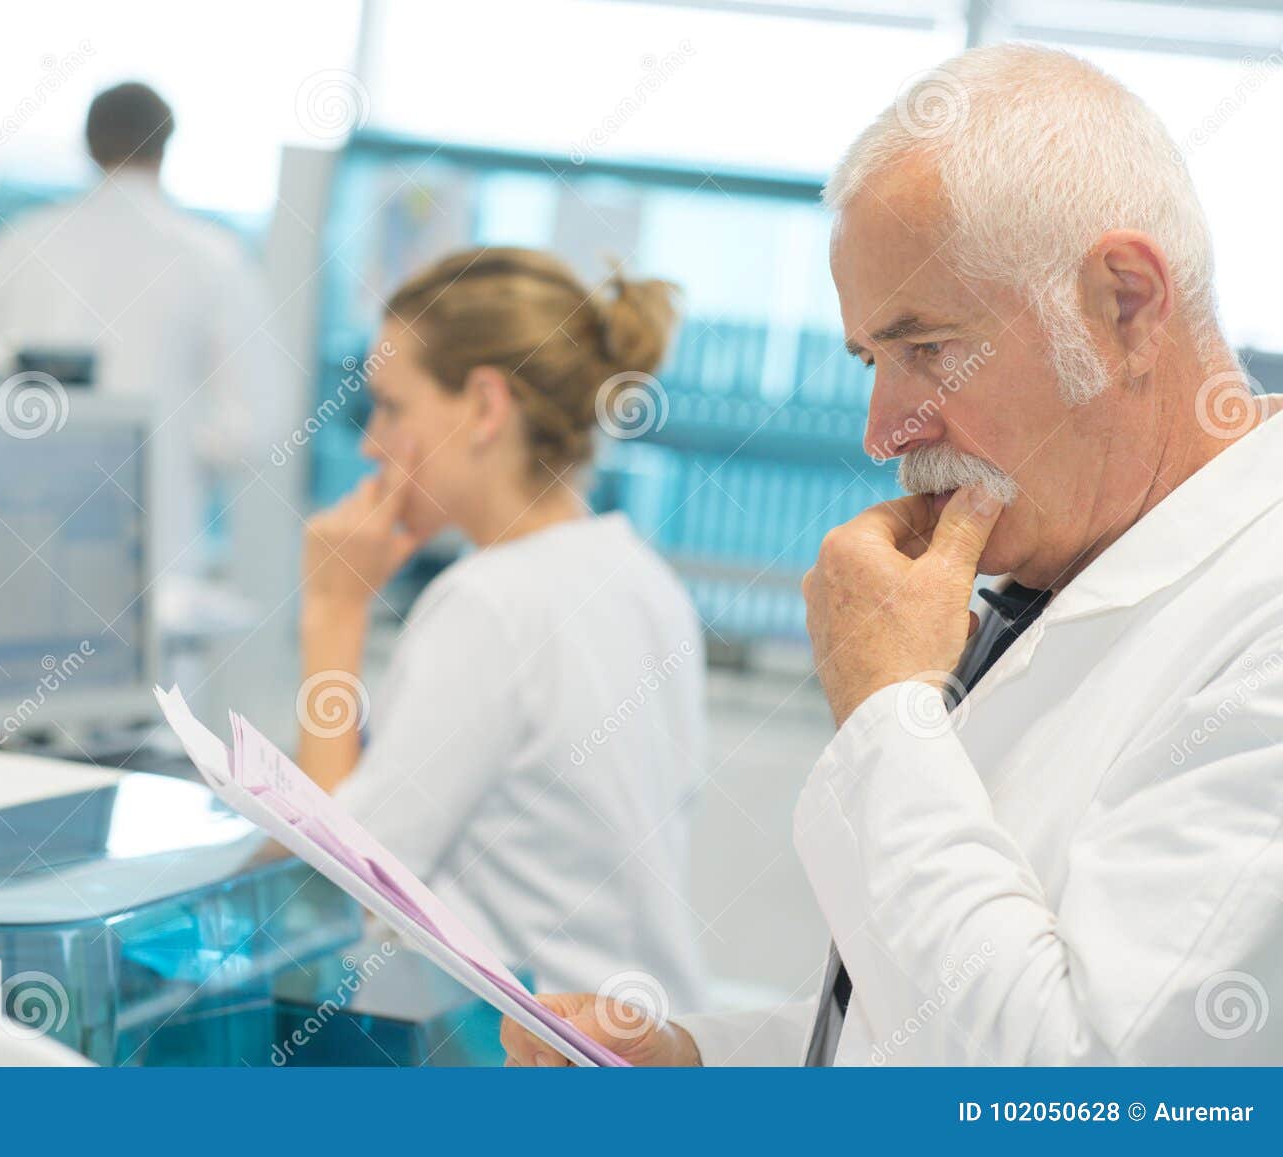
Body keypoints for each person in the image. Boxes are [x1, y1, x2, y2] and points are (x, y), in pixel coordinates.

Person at [503, 44, 1283, 1067]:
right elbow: (934, 1016)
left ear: (1125, 303)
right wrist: (701, 1060)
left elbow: (1093, 1086)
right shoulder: (1060, 574)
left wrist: (884, 713)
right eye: (873, 359)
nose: (882, 428)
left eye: (929, 346)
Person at [294, 247, 708, 1009]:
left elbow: (335, 890)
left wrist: (334, 613)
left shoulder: (489, 603)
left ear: (485, 406)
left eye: (391, 406)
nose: (370, 443)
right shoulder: (641, 578)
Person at [0, 81, 276, 576]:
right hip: (153, 544)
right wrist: (169, 444)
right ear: (166, 147)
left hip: (19, 532)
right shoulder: (213, 259)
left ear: (87, 145)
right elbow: (254, 428)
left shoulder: (21, 243)